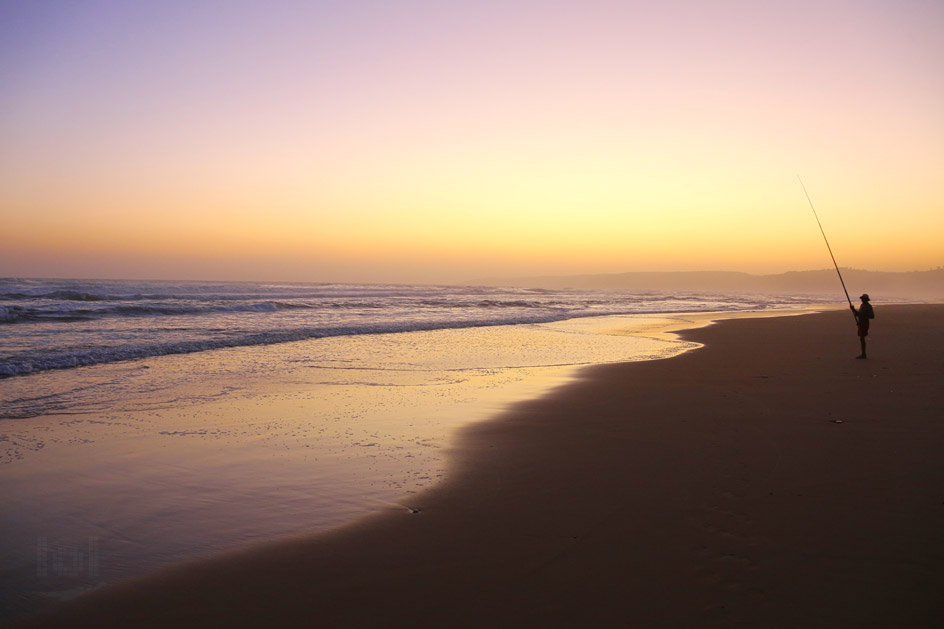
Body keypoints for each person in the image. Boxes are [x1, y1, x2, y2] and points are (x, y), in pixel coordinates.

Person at [851, 294, 875, 359]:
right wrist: (853, 309)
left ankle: (863, 354)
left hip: (865, 324)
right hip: (861, 323)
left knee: (862, 338)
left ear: (866, 299)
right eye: (861, 299)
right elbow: (859, 314)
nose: (862, 300)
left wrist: (862, 316)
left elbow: (872, 316)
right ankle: (863, 353)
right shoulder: (862, 305)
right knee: (861, 338)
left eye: (863, 299)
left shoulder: (868, 306)